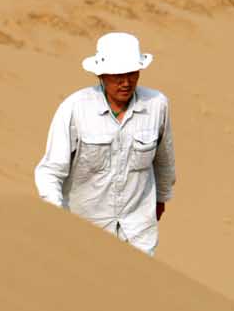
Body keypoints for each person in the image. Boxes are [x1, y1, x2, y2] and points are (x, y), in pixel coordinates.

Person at [34, 32, 176, 256]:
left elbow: (164, 159)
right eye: (118, 75)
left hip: (138, 232)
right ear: (101, 75)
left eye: (132, 73)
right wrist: (57, 217)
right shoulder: (75, 108)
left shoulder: (157, 105)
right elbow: (50, 171)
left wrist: (161, 198)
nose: (126, 82)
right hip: (85, 233)